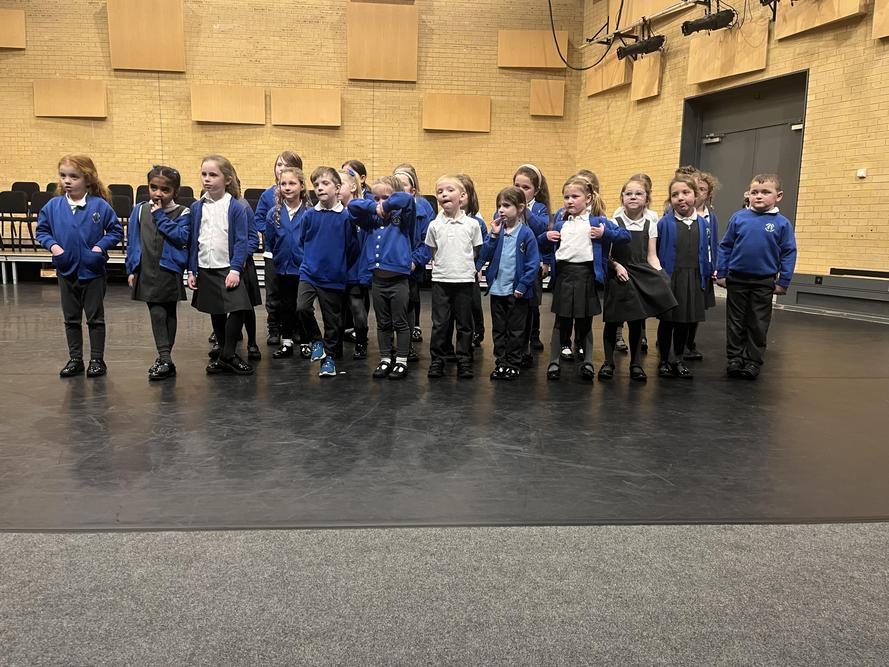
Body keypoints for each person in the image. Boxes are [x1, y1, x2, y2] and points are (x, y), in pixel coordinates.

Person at [36, 154, 122, 378]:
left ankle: (97, 360)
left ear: (87, 179)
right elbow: (42, 231)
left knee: (95, 318)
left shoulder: (99, 206)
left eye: (73, 177)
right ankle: (75, 359)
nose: (67, 181)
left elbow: (115, 231)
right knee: (71, 319)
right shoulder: (53, 206)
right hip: (66, 270)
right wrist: (55, 247)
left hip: (93, 271)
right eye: (63, 176)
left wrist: (99, 248)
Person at [538, 177, 630, 381]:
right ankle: (554, 361)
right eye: (566, 197)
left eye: (575, 196)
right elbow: (541, 245)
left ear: (588, 198)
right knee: (561, 321)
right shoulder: (560, 224)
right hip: (564, 276)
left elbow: (625, 236)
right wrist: (545, 237)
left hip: (586, 276)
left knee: (585, 322)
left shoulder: (597, 222)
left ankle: (588, 361)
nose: (569, 200)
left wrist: (605, 233)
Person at [716, 173, 797, 380]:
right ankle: (735, 358)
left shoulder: (782, 224)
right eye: (754, 192)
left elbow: (788, 252)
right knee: (736, 322)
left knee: (758, 323)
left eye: (765, 192)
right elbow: (725, 246)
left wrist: (784, 281)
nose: (759, 196)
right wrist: (722, 272)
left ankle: (753, 360)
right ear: (748, 195)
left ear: (778, 196)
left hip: (764, 281)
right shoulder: (738, 218)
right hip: (737, 279)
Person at [599, 176, 676, 382]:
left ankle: (636, 364)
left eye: (638, 194)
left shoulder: (650, 224)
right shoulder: (613, 223)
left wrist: (661, 274)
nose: (633, 197)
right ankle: (608, 362)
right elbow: (607, 254)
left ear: (646, 199)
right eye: (628, 194)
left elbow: (652, 256)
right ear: (622, 198)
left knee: (636, 322)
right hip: (618, 274)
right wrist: (616, 266)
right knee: (613, 321)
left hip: (640, 274)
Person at [188, 154, 255, 375]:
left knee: (239, 307)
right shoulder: (197, 207)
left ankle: (227, 354)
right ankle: (226, 356)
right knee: (216, 311)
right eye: (204, 174)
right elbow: (193, 240)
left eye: (213, 175)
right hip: (205, 267)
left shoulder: (235, 207)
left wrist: (236, 269)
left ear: (227, 179)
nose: (207, 179)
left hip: (228, 268)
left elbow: (242, 241)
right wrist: (192, 270)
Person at [348, 175, 416, 380]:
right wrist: (373, 207)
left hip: (398, 281)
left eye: (385, 197)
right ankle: (385, 358)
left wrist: (387, 205)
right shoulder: (372, 219)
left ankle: (401, 361)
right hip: (378, 281)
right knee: (383, 322)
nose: (380, 202)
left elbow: (406, 199)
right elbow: (353, 207)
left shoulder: (403, 218)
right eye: (376, 198)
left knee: (400, 322)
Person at [125, 165, 191, 380]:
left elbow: (182, 237)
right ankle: (165, 358)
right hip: (146, 269)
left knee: (169, 313)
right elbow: (133, 241)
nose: (158, 193)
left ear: (175, 191)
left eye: (165, 189)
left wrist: (161, 216)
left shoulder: (182, 212)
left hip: (168, 270)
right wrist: (131, 268)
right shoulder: (140, 210)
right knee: (157, 312)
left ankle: (165, 359)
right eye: (153, 187)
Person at [296, 167, 360, 378]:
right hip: (309, 273)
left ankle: (329, 359)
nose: (320, 188)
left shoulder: (346, 218)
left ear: (337, 188)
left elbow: (352, 248)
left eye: (325, 183)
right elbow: (302, 241)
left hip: (334, 277)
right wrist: (310, 261)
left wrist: (338, 266)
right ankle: (316, 341)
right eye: (316, 185)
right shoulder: (309, 216)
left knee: (333, 323)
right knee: (302, 308)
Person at [478, 186, 540, 380]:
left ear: (520, 208)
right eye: (499, 206)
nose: (501, 210)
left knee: (516, 330)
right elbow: (485, 254)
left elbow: (533, 264)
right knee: (499, 329)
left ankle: (513, 362)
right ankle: (501, 362)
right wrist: (493, 236)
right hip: (498, 290)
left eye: (506, 205)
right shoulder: (498, 232)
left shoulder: (526, 234)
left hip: (516, 292)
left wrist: (522, 285)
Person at [425, 175, 483, 379]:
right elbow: (433, 251)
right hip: (441, 281)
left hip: (464, 281)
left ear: (463, 195)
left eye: (450, 190)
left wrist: (462, 267)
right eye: (440, 191)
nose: (444, 194)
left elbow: (475, 251)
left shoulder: (472, 225)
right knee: (440, 324)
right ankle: (438, 360)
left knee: (465, 324)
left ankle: (464, 360)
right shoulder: (434, 225)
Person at [655, 176, 712, 379]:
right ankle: (664, 360)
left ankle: (678, 359)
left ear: (696, 196)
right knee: (667, 321)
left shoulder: (703, 224)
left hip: (693, 278)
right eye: (675, 194)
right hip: (671, 278)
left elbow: (707, 250)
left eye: (686, 193)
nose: (680, 198)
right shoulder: (664, 223)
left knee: (685, 322)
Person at [253, 151, 303, 346]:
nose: (282, 169)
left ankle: (295, 328)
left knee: (295, 295)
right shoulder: (267, 195)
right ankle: (274, 328)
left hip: (297, 255)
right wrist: (276, 230)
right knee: (274, 294)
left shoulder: (304, 201)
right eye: (279, 165)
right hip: (273, 252)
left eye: (287, 165)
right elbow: (259, 219)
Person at [264, 166, 309, 360]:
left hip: (304, 269)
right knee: (286, 306)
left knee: (303, 307)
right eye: (283, 184)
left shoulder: (309, 213)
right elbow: (271, 241)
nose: (288, 187)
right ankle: (287, 341)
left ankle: (306, 342)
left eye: (292, 183)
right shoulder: (273, 214)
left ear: (302, 186)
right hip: (283, 268)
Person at [394, 163, 435, 356]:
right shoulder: (386, 209)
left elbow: (428, 241)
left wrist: (414, 261)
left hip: (411, 267)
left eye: (403, 185)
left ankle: (407, 346)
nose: (399, 188)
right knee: (392, 309)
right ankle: (391, 347)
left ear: (412, 190)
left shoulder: (423, 210)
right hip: (390, 268)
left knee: (408, 305)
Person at [512, 164, 551, 358]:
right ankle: (515, 342)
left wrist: (525, 210)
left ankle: (532, 336)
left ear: (536, 191)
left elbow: (541, 230)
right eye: (517, 186)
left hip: (532, 264)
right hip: (513, 263)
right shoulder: (507, 205)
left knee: (531, 304)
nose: (520, 191)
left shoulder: (539, 208)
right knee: (515, 305)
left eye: (526, 187)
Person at [684, 170, 721, 361]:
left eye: (703, 189)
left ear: (708, 194)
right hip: (684, 267)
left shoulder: (711, 217)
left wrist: (715, 266)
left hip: (703, 268)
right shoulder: (677, 213)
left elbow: (714, 244)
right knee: (681, 306)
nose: (699, 192)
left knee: (697, 308)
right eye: (695, 188)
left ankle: (689, 342)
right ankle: (675, 341)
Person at [338, 168, 371, 360]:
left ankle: (361, 342)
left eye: (340, 184)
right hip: (338, 268)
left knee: (357, 306)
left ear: (352, 187)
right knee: (338, 308)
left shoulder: (362, 210)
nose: (336, 188)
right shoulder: (335, 211)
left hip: (356, 268)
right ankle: (336, 341)